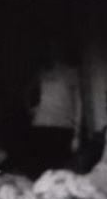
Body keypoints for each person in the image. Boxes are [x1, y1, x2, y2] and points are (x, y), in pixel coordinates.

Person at [26, 41, 82, 178]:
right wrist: (32, 109)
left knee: (62, 170)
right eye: (51, 50)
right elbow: (28, 91)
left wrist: (77, 133)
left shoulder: (72, 72)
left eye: (57, 50)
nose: (54, 54)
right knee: (43, 171)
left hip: (63, 125)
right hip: (41, 124)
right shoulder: (42, 73)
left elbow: (79, 103)